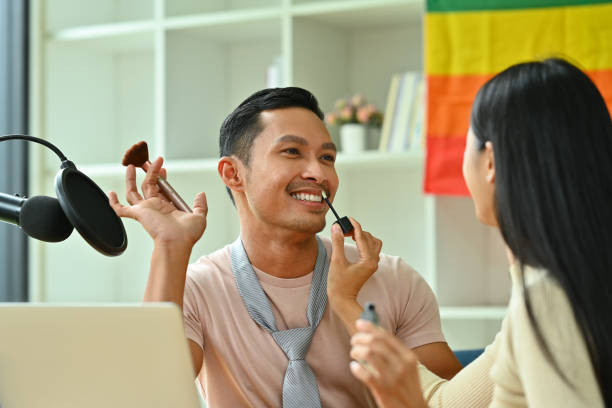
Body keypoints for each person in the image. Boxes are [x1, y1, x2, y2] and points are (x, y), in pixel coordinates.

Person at [108, 87, 462, 407]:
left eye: (327, 158)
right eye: (292, 152)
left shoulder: (392, 279)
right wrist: (170, 246)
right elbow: (147, 395)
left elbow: (447, 402)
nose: (319, 174)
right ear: (233, 175)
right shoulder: (197, 288)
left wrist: (352, 312)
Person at [345, 58, 610, 407]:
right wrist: (347, 305)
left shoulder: (547, 300)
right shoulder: (559, 288)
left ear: (490, 162)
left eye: (466, 146)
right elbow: (447, 403)